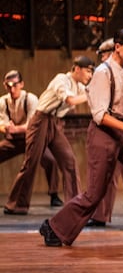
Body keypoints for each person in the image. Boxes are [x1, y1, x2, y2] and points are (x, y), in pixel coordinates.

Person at [39, 28, 123, 247]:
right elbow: (100, 116)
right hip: (104, 134)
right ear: (117, 46)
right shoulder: (103, 72)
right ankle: (53, 226)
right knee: (95, 193)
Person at [4, 56, 95, 215]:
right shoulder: (61, 79)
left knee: (69, 161)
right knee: (31, 163)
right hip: (40, 121)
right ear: (77, 69)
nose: (90, 75)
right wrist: (90, 94)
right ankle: (16, 204)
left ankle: (75, 205)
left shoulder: (79, 86)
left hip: (54, 123)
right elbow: (71, 100)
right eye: (88, 71)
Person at [85, 39, 123, 228]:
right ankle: (100, 215)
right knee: (105, 174)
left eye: (104, 54)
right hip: (106, 127)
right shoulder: (103, 73)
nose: (103, 58)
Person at [0, 70, 63, 208]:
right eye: (8, 86)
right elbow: (1, 122)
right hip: (13, 140)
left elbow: (32, 124)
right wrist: (6, 128)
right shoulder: (3, 101)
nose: (12, 89)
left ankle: (54, 195)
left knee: (50, 161)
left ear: (21, 84)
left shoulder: (31, 99)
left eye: (14, 85)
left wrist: (16, 128)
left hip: (32, 139)